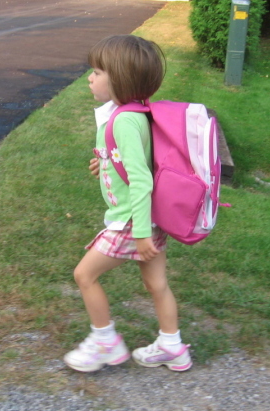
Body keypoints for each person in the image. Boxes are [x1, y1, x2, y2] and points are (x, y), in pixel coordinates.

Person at [63, 35, 192, 373]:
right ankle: (172, 346)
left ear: (118, 78)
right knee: (156, 284)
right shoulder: (135, 113)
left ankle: (105, 342)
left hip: (131, 221)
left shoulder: (123, 120)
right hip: (149, 220)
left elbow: (140, 179)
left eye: (97, 72)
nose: (90, 78)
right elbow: (136, 161)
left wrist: (140, 232)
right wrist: (104, 162)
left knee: (84, 275)